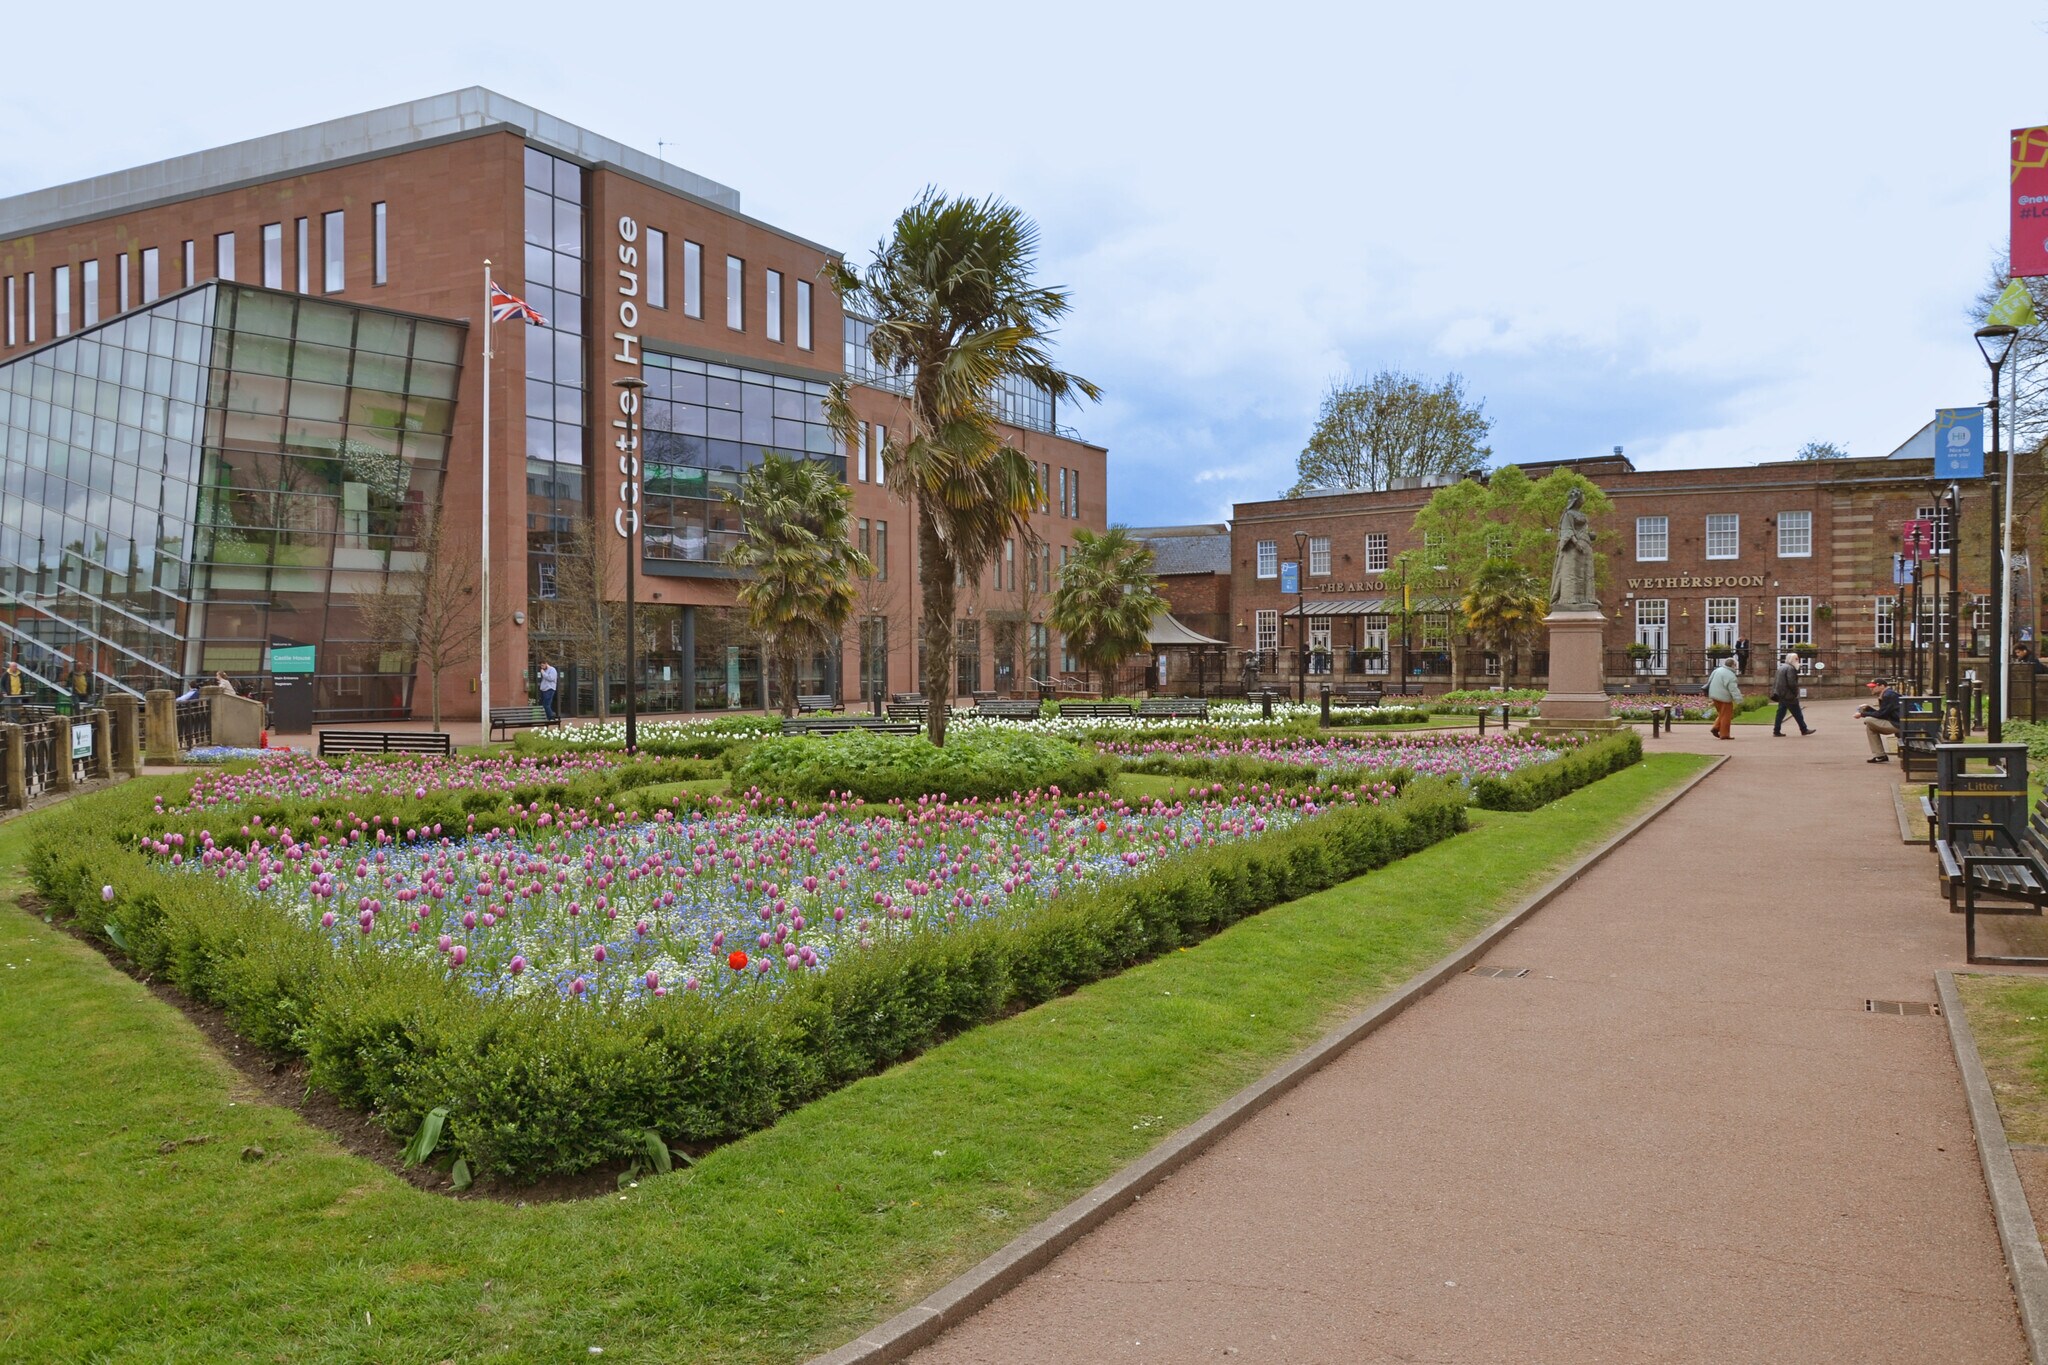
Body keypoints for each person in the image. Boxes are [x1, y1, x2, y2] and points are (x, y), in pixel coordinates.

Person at [1857, 677, 1904, 763]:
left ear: (1882, 686)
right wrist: (1868, 709)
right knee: (1870, 727)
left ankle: (1880, 755)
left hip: (1899, 724)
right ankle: (1879, 755)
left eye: (1874, 686)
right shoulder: (1887, 694)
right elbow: (1883, 713)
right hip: (1897, 722)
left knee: (1868, 720)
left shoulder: (1888, 695)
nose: (1871, 689)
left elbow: (1881, 715)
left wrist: (1862, 714)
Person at [1770, 651, 1815, 737]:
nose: (1798, 660)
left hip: (1781, 694)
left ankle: (1776, 731)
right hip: (1788, 695)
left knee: (1780, 713)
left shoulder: (1781, 667)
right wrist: (1795, 692)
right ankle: (1804, 729)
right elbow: (1792, 683)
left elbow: (1776, 681)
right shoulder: (1790, 668)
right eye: (1796, 659)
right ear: (1792, 660)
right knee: (1797, 713)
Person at [1707, 653, 1742, 740]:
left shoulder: (1717, 670)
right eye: (1735, 665)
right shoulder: (1730, 675)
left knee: (1722, 714)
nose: (1736, 667)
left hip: (1714, 695)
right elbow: (1733, 689)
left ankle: (1716, 727)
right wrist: (1739, 700)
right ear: (1733, 665)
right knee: (1726, 716)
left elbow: (1709, 681)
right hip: (1724, 697)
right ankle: (1724, 734)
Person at [538, 658, 559, 723]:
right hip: (544, 689)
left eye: (543, 666)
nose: (542, 667)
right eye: (541, 666)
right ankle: (548, 717)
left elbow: (551, 678)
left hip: (549, 689)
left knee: (546, 704)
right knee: (543, 704)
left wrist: (543, 673)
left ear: (546, 664)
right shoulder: (544, 670)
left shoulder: (552, 670)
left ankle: (551, 717)